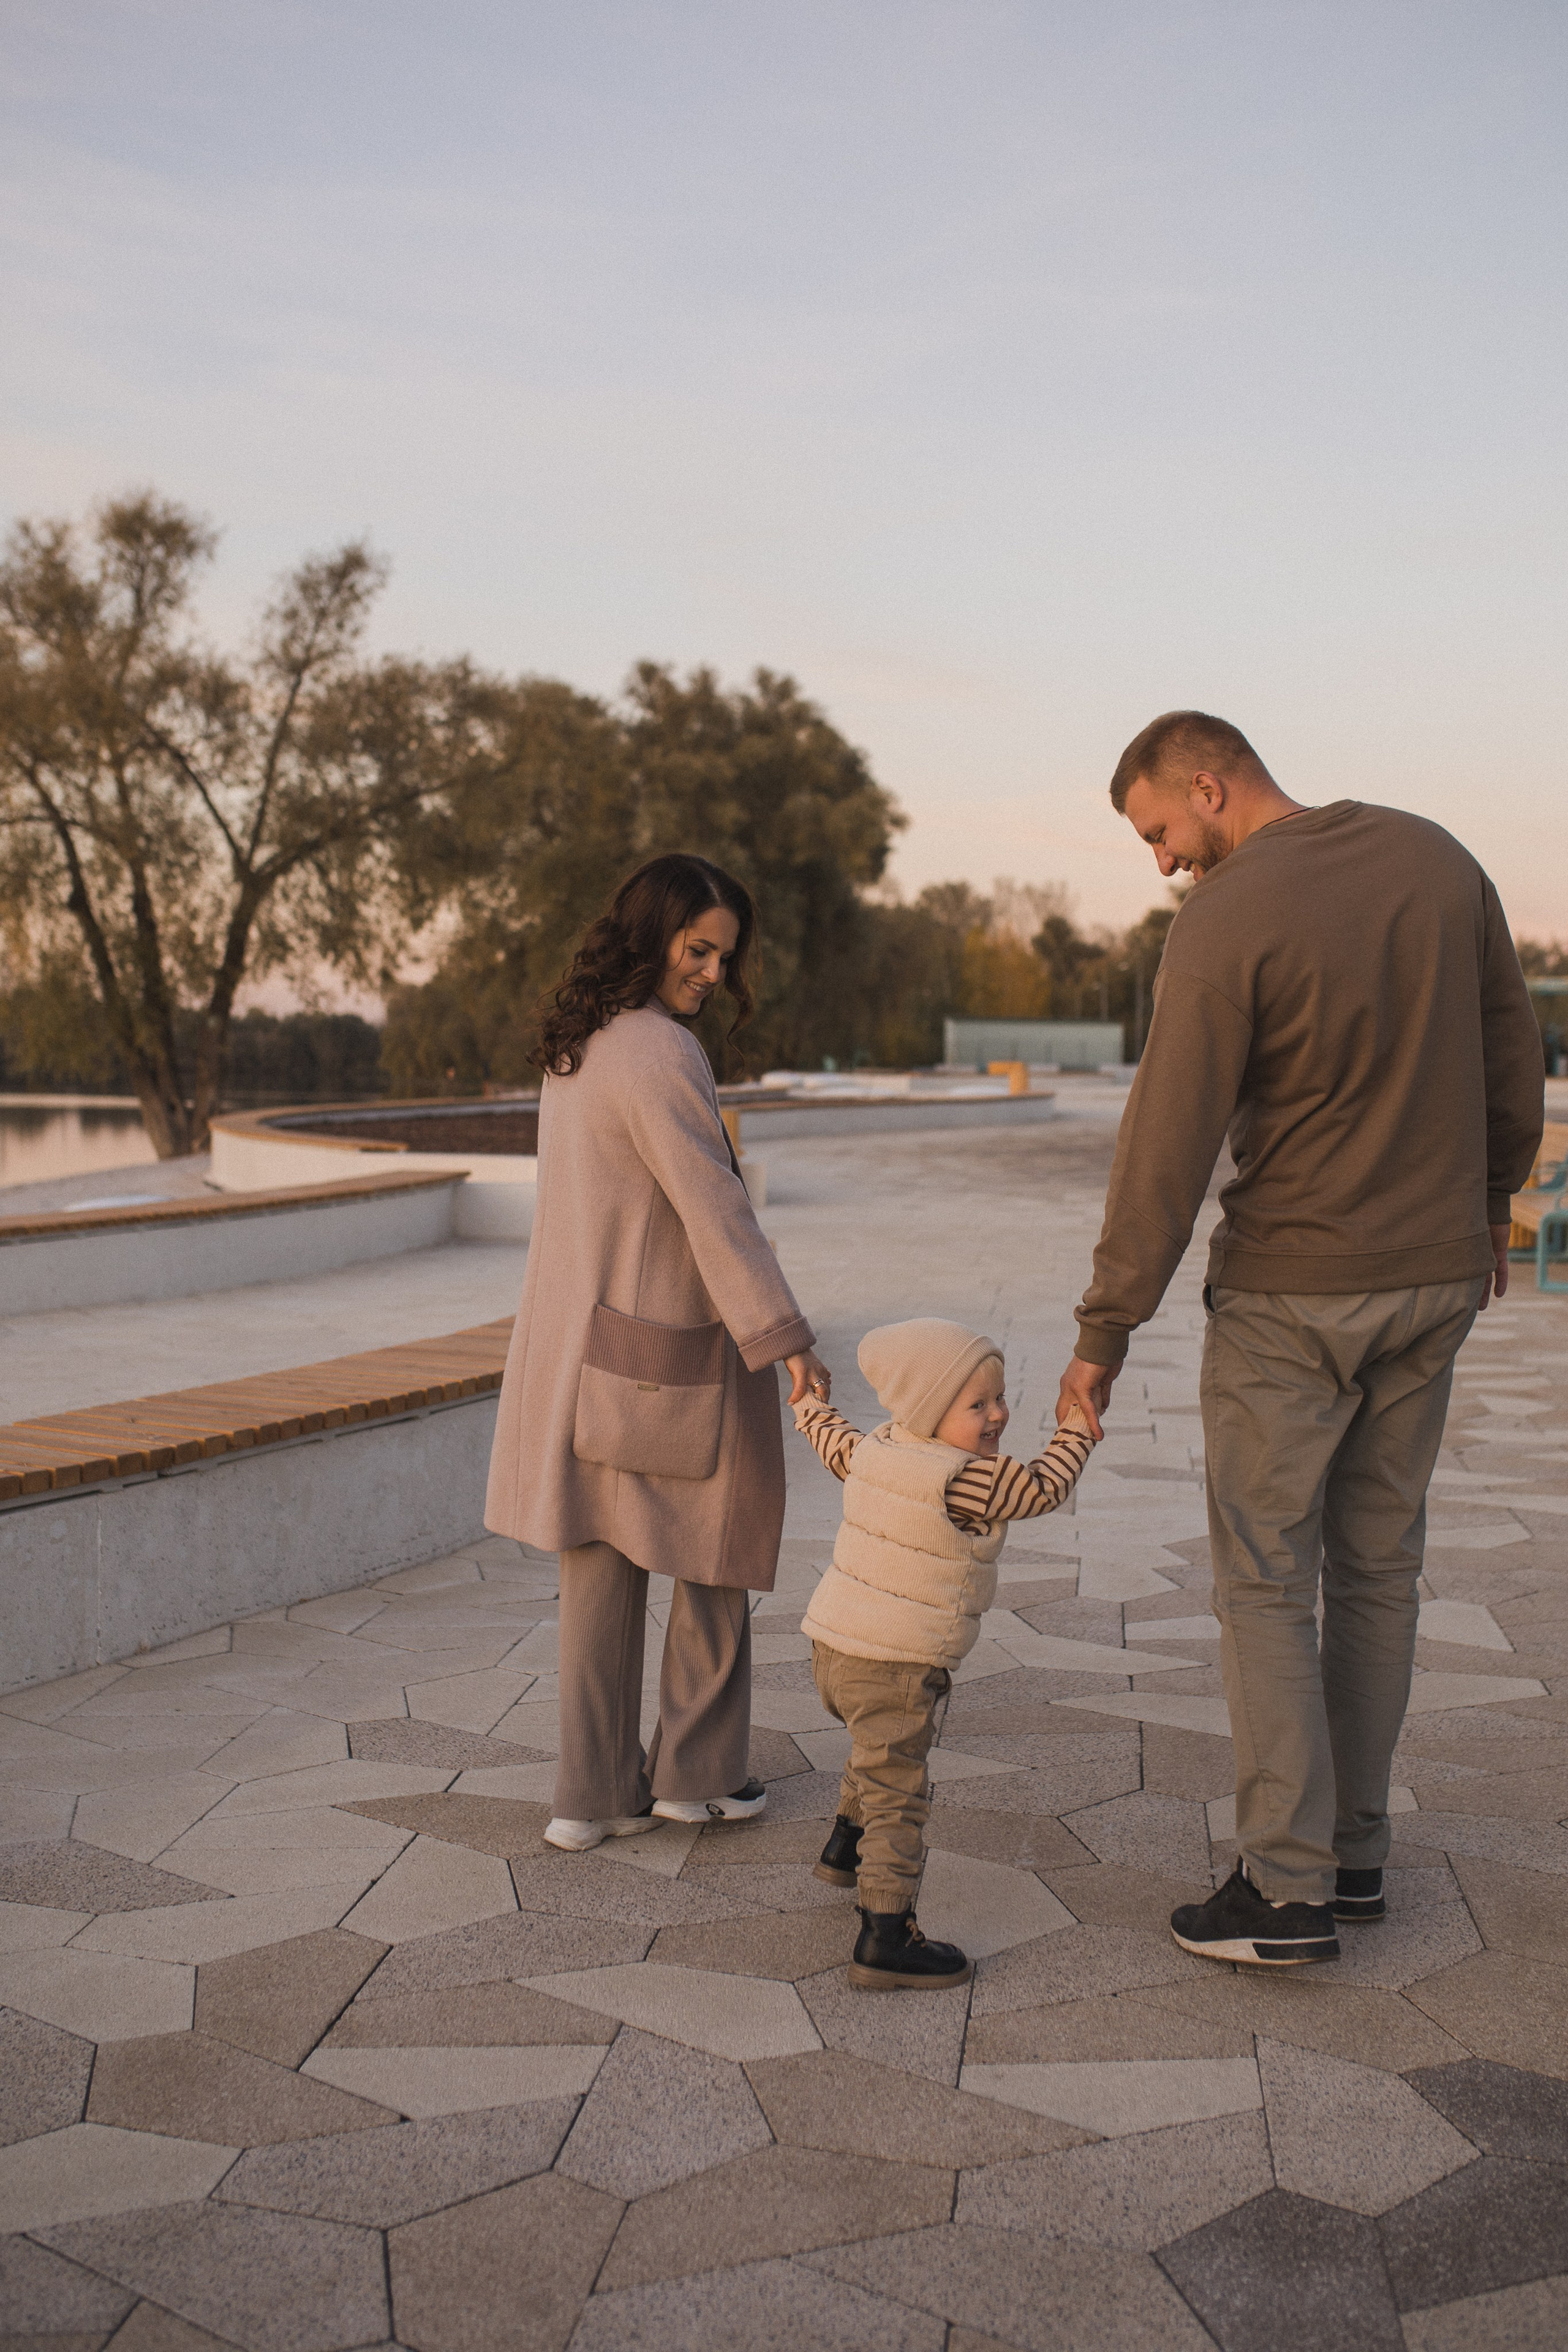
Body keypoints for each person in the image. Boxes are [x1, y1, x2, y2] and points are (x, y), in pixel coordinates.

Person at [1056, 711, 1544, 1967]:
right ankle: (1357, 1855)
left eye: (1160, 832)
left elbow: (1165, 1140)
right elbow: (1511, 1055)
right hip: (1434, 1283)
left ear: (1207, 785)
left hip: (1291, 1298)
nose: (1163, 863)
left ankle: (1282, 1889)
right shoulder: (1440, 863)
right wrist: (1490, 1204)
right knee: (1377, 1569)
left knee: (1266, 1580)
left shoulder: (1225, 919)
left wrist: (1101, 1330)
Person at [484, 852, 831, 1853]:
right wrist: (783, 1338)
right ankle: (701, 1775)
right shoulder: (660, 1050)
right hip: (668, 1353)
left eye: (724, 955)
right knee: (716, 1544)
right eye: (699, 948)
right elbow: (714, 1207)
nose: (714, 972)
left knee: (598, 1571)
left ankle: (589, 1798)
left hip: (583, 1353)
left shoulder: (581, 1046)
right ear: (654, 936)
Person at [794, 1318, 1096, 1988]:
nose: (997, 1416)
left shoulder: (874, 1448)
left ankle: (846, 1845)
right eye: (976, 1405)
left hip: (835, 1647)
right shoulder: (964, 1480)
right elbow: (1042, 1488)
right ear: (930, 1411)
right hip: (897, 1663)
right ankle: (885, 1935)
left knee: (875, 1752)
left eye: (999, 1397)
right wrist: (1076, 1426)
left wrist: (806, 1400)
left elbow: (828, 1439)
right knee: (898, 1784)